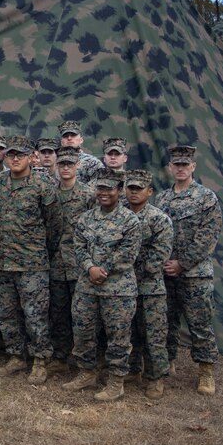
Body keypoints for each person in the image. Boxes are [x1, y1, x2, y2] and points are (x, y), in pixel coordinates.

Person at [0, 135, 62, 384]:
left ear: (31, 157)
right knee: (6, 314)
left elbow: (54, 224)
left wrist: (41, 250)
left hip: (32, 263)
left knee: (35, 314)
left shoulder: (43, 184)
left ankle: (40, 360)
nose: (15, 159)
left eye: (20, 154)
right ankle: (16, 355)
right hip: (1, 261)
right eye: (11, 154)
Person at [64, 169, 142, 401]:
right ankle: (86, 372)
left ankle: (116, 381)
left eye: (109, 189)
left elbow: (127, 254)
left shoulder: (130, 220)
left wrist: (102, 270)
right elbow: (77, 247)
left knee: (118, 336)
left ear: (119, 191)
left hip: (118, 290)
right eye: (100, 188)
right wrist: (90, 268)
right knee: (83, 331)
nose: (104, 193)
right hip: (87, 287)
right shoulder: (86, 218)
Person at [153, 145, 223, 395]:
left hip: (195, 274)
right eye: (176, 164)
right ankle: (169, 361)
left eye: (185, 164)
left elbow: (208, 236)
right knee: (165, 322)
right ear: (170, 167)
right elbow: (155, 233)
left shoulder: (206, 197)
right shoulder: (161, 198)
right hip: (164, 272)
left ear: (193, 166)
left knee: (200, 323)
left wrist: (182, 263)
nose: (181, 168)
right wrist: (162, 262)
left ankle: (206, 371)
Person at [124, 169, 174, 399]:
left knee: (154, 334)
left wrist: (129, 272)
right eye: (130, 188)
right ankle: (133, 370)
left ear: (149, 191)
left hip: (149, 288)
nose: (133, 192)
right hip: (123, 288)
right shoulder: (120, 216)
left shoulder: (159, 219)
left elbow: (159, 255)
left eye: (138, 188)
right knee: (129, 332)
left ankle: (156, 377)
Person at [47, 146, 96, 369]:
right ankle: (60, 356)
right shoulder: (50, 193)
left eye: (70, 164)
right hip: (56, 262)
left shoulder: (88, 195)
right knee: (58, 313)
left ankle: (84, 359)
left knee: (82, 316)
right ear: (57, 167)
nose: (65, 168)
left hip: (80, 264)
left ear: (78, 166)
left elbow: (96, 230)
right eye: (62, 164)